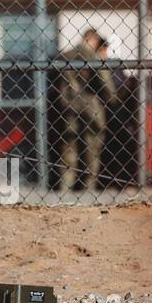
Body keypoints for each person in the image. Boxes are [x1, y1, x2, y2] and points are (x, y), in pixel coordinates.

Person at [53, 28, 118, 192]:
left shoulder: (65, 55)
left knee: (69, 150)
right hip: (91, 107)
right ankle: (88, 190)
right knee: (92, 150)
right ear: (93, 39)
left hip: (68, 106)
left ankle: (64, 189)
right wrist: (112, 98)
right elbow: (104, 82)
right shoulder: (92, 56)